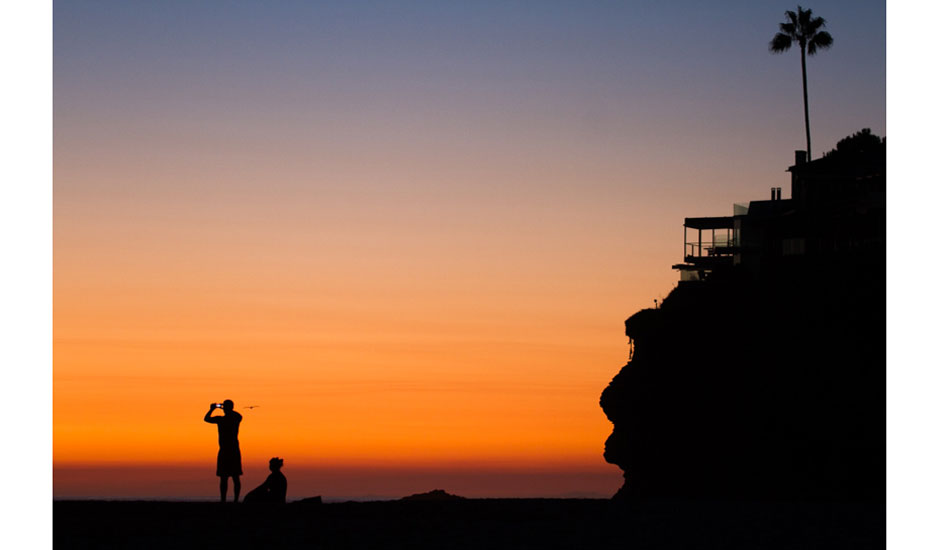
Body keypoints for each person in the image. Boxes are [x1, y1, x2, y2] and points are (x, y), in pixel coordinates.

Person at [203, 400, 243, 502]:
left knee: (234, 477)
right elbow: (206, 419)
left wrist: (214, 409)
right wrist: (213, 409)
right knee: (225, 477)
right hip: (226, 450)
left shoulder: (232, 418)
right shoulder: (222, 419)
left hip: (231, 450)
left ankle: (233, 500)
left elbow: (239, 416)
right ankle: (224, 500)